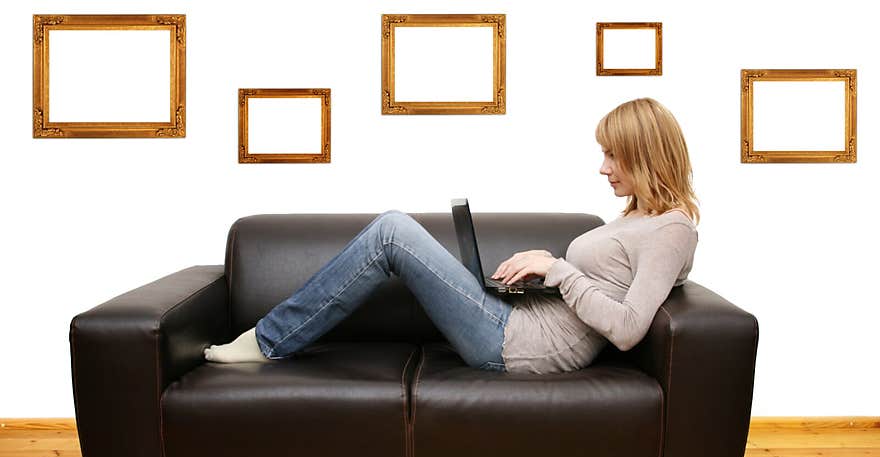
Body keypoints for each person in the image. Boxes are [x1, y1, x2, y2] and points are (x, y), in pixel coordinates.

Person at [204, 97, 700, 374]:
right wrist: (538, 276)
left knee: (393, 232)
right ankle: (271, 338)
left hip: (525, 348)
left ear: (646, 154)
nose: (603, 168)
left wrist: (559, 268)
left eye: (613, 156)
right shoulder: (636, 217)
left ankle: (269, 340)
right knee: (394, 231)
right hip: (518, 320)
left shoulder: (672, 229)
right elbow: (602, 287)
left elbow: (630, 326)